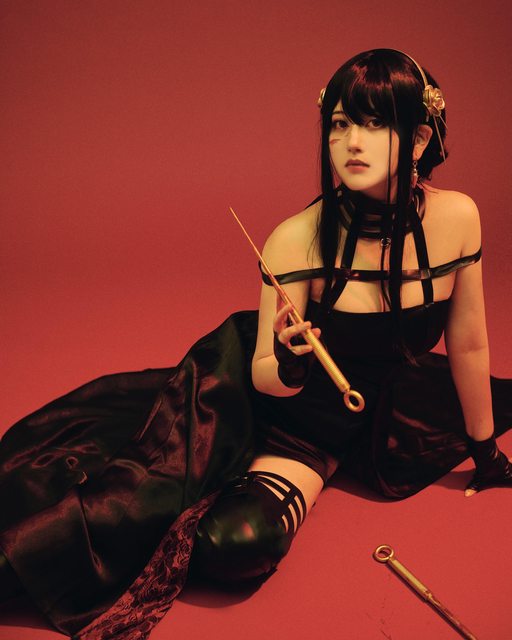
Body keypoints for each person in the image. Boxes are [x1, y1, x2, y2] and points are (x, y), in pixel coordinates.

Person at [1, 49, 511, 639]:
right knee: (225, 541)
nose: (352, 142)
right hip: (292, 422)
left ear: (419, 138)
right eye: (341, 123)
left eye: (375, 123)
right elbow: (266, 375)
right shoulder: (295, 239)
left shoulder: (458, 219)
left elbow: (469, 344)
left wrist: (485, 450)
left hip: (387, 413)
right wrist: (290, 361)